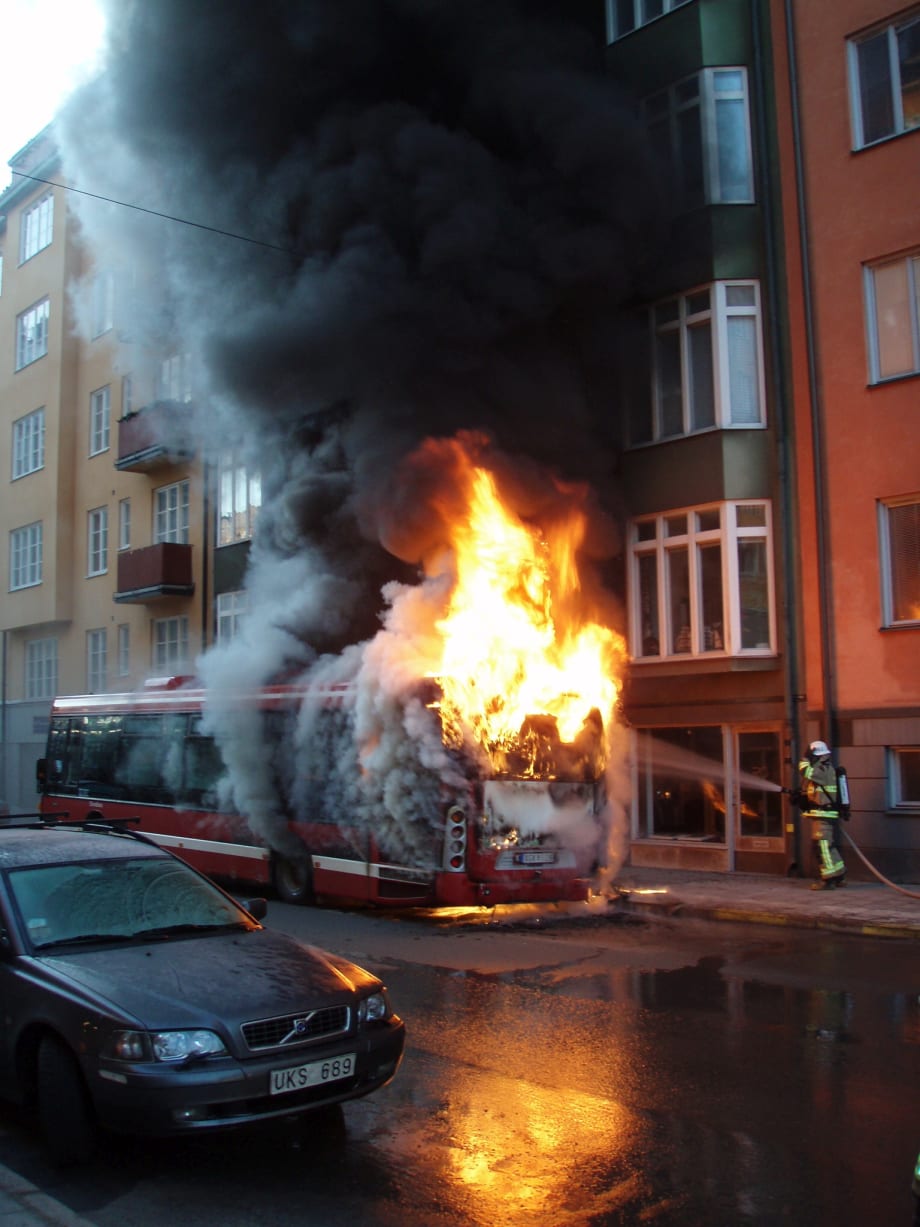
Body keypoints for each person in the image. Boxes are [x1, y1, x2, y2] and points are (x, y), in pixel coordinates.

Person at [794, 740, 846, 890]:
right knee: (828, 845)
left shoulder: (823, 769)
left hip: (824, 815)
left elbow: (805, 771)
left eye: (812, 756)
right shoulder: (824, 769)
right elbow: (817, 792)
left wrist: (804, 757)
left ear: (816, 756)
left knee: (821, 846)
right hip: (822, 814)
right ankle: (839, 874)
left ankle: (828, 879)